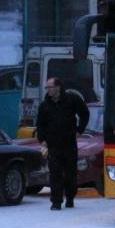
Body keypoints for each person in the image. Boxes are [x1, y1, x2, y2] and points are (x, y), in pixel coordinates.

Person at [36, 78, 89, 210]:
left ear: (58, 87)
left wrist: (79, 130)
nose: (48, 90)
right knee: (55, 173)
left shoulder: (72, 99)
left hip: (69, 143)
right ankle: (56, 201)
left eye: (50, 87)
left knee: (70, 172)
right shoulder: (45, 105)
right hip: (53, 144)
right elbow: (40, 123)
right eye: (47, 87)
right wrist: (42, 139)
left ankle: (70, 197)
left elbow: (84, 113)